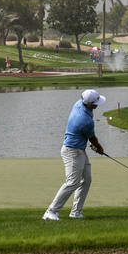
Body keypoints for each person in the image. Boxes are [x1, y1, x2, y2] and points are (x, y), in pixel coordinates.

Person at [43, 89, 106, 220]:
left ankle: (76, 212)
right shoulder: (85, 121)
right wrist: (99, 148)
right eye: (95, 103)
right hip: (72, 152)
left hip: (79, 150)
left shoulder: (79, 103)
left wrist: (94, 146)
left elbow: (88, 138)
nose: (97, 105)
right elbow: (92, 138)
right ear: (88, 104)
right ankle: (51, 211)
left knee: (86, 180)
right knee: (72, 182)